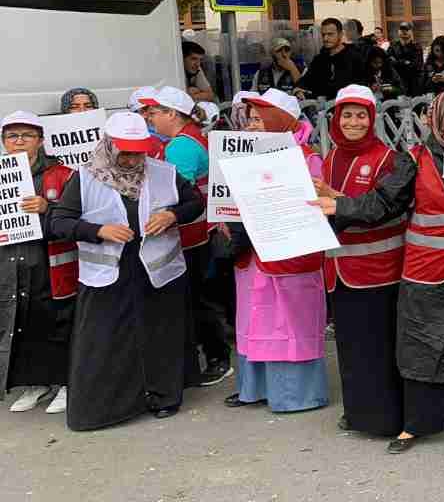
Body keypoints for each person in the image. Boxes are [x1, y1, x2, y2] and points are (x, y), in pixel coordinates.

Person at [317, 88, 444, 454]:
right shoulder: (413, 159)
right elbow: (384, 203)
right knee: (421, 343)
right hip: (426, 269)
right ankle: (419, 421)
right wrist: (338, 207)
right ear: (441, 123)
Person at [48, 112, 203, 430]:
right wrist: (98, 230)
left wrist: (173, 215)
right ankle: (112, 406)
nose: (133, 160)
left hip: (158, 272)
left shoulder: (164, 172)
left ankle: (163, 396)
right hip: (108, 275)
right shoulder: (85, 177)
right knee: (108, 341)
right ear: (109, 147)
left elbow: (195, 203)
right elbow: (58, 222)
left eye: (139, 152)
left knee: (159, 336)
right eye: (126, 152)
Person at [222, 90, 329, 414]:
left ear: (280, 122)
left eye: (259, 119)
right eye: (250, 119)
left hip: (287, 253)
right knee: (255, 317)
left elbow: (314, 208)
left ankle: (295, 394)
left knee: (287, 320)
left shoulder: (308, 160)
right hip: (252, 253)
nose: (252, 126)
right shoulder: (241, 157)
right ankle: (254, 388)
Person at [311, 85, 409, 437]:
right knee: (350, 349)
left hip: (379, 272)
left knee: (380, 349)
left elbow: (379, 209)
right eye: (347, 115)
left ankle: (386, 419)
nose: (353, 122)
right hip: (339, 270)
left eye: (361, 115)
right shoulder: (331, 156)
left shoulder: (390, 159)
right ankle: (358, 413)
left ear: (373, 119)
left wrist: (333, 198)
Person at [142, 86, 231, 386]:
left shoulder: (180, 146)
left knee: (197, 299)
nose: (150, 118)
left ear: (172, 114)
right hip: (198, 231)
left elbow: (175, 195)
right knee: (201, 297)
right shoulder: (192, 137)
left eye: (154, 112)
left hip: (192, 234)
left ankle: (218, 357)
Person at [0, 112, 77, 415]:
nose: (18, 141)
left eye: (26, 135)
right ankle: (37, 382)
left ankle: (67, 382)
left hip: (51, 262)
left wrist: (49, 207)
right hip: (12, 260)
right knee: (24, 323)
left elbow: (78, 216)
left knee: (58, 322)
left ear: (41, 141)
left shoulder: (62, 174)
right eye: (12, 136)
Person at [295, 18, 366, 100]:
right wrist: (298, 90)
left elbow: (362, 86)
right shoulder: (319, 59)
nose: (325, 38)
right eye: (323, 35)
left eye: (330, 34)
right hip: (320, 107)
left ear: (340, 34)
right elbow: (306, 80)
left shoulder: (355, 57)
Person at [388, 23, 424, 97]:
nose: (404, 32)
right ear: (398, 32)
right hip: (398, 82)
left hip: (413, 83)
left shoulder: (416, 47)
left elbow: (416, 65)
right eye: (402, 29)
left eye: (407, 30)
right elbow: (389, 63)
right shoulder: (393, 46)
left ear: (411, 32)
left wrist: (398, 62)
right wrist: (404, 62)